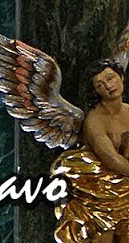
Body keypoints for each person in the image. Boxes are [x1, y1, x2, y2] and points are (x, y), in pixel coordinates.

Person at [52, 60, 129, 243]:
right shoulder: (94, 120)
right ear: (95, 91)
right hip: (103, 185)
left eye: (111, 78)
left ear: (122, 77)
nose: (109, 86)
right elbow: (111, 159)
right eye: (100, 85)